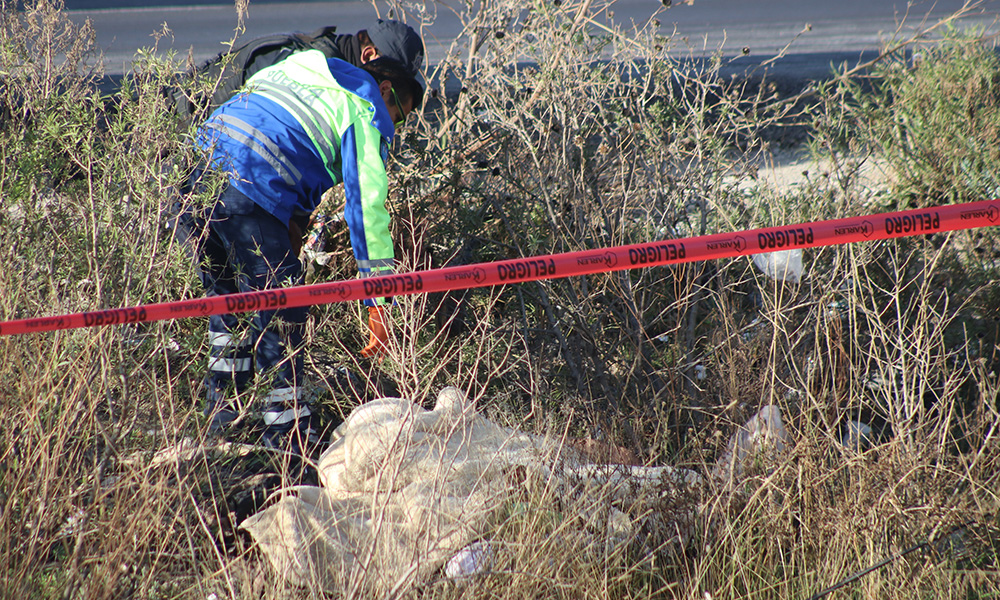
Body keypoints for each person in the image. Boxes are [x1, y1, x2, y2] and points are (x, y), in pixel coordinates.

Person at [179, 49, 423, 454]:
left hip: (194, 176)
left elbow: (280, 128)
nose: (393, 127)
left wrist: (289, 220)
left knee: (228, 301)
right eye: (399, 115)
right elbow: (366, 208)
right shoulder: (363, 107)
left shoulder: (303, 65)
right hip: (249, 179)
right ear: (384, 90)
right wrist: (379, 299)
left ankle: (223, 420)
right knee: (286, 305)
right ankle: (287, 434)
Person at [172, 18, 424, 124]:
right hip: (174, 133)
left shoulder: (327, 58)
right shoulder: (320, 72)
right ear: (369, 55)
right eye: (392, 82)